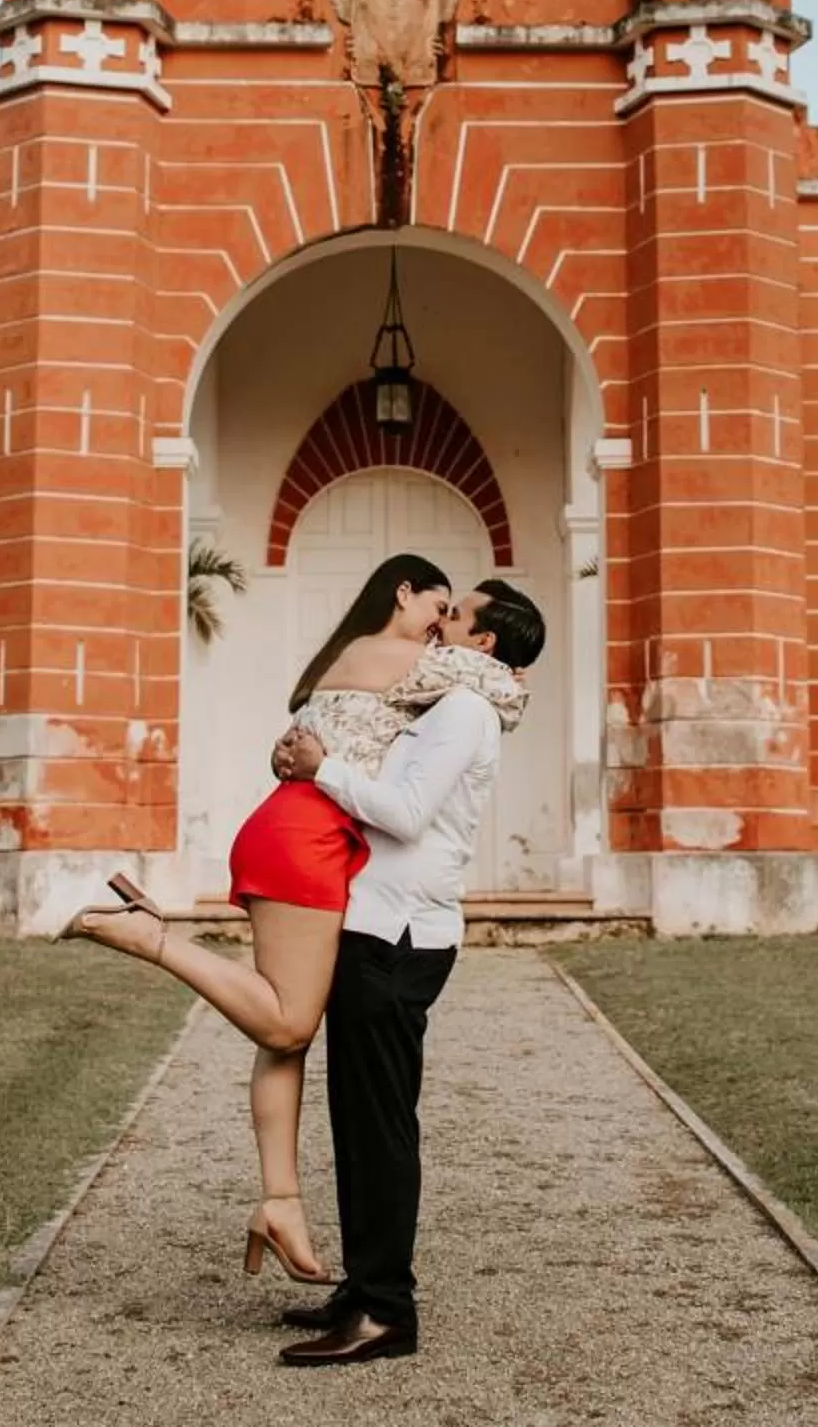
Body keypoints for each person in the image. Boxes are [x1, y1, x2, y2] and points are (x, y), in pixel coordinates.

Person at [62, 554, 528, 1289]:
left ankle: (279, 1202)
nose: (440, 626)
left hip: (297, 832)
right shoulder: (407, 658)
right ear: (402, 593)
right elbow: (497, 686)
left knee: (288, 1032)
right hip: (307, 841)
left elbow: (315, 740)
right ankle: (150, 935)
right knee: (284, 1023)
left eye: (452, 617)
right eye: (437, 607)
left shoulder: (350, 655)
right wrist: (510, 678)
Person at [273, 577, 547, 1369]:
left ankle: (387, 1310)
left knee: (382, 1127)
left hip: (400, 934)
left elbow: (403, 810)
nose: (441, 622)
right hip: (376, 924)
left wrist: (321, 768)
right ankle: (362, 1291)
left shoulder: (463, 709)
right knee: (358, 1122)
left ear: (484, 642)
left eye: (456, 616)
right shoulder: (446, 698)